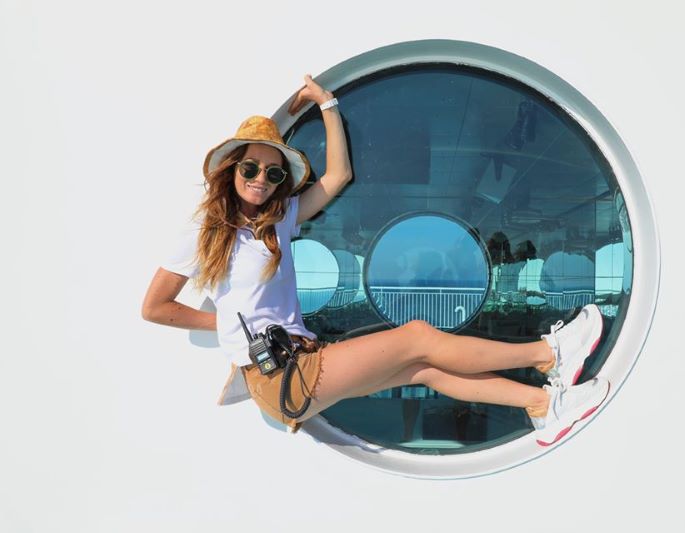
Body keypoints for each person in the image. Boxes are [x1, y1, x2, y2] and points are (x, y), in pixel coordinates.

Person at [141, 74, 610, 447]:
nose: (260, 178)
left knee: (425, 370)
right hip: (279, 378)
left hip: (303, 361)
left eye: (272, 170)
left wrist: (326, 105)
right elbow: (155, 307)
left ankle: (541, 407)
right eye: (249, 168)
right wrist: (227, 321)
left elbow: (339, 175)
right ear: (231, 170)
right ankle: (548, 356)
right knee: (418, 337)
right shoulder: (204, 230)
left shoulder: (280, 217)